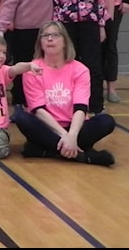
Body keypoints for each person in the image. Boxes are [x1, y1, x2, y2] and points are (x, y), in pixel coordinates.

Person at [15, 22, 116, 166]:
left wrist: (72, 135)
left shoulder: (80, 70)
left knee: (106, 121)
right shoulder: (33, 69)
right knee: (21, 117)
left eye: (55, 35)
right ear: (40, 43)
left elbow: (81, 108)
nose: (49, 39)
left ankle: (46, 151)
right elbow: (38, 110)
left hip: (75, 127)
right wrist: (65, 136)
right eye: (45, 36)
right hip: (48, 127)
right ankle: (83, 156)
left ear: (65, 42)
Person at [50, 0, 106, 114]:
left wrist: (101, 24)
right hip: (65, 24)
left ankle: (96, 107)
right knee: (67, 64)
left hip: (89, 22)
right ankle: (69, 106)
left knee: (93, 65)